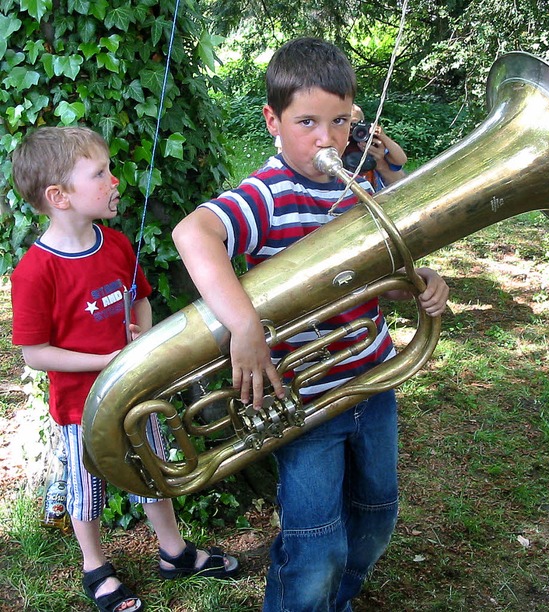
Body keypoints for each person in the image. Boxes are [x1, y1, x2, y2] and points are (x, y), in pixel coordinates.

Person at [172, 37, 449, 612]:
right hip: (305, 400)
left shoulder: (360, 189)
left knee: (378, 512)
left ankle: (336, 601)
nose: (326, 139)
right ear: (273, 120)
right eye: (307, 123)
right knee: (313, 540)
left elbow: (398, 250)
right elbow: (191, 234)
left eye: (340, 122)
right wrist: (243, 326)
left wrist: (424, 279)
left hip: (374, 381)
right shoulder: (268, 193)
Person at [10, 126, 239, 612]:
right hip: (79, 409)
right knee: (86, 492)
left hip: (136, 394)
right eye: (100, 173)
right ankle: (95, 566)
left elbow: (142, 300)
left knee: (152, 473)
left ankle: (173, 552)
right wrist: (106, 362)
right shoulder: (34, 270)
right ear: (59, 196)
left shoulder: (114, 244)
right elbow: (34, 353)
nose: (114, 180)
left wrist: (139, 334)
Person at [351, 103, 408, 190]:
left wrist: (383, 137)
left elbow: (401, 160)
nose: (349, 128)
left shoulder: (370, 141)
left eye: (354, 124)